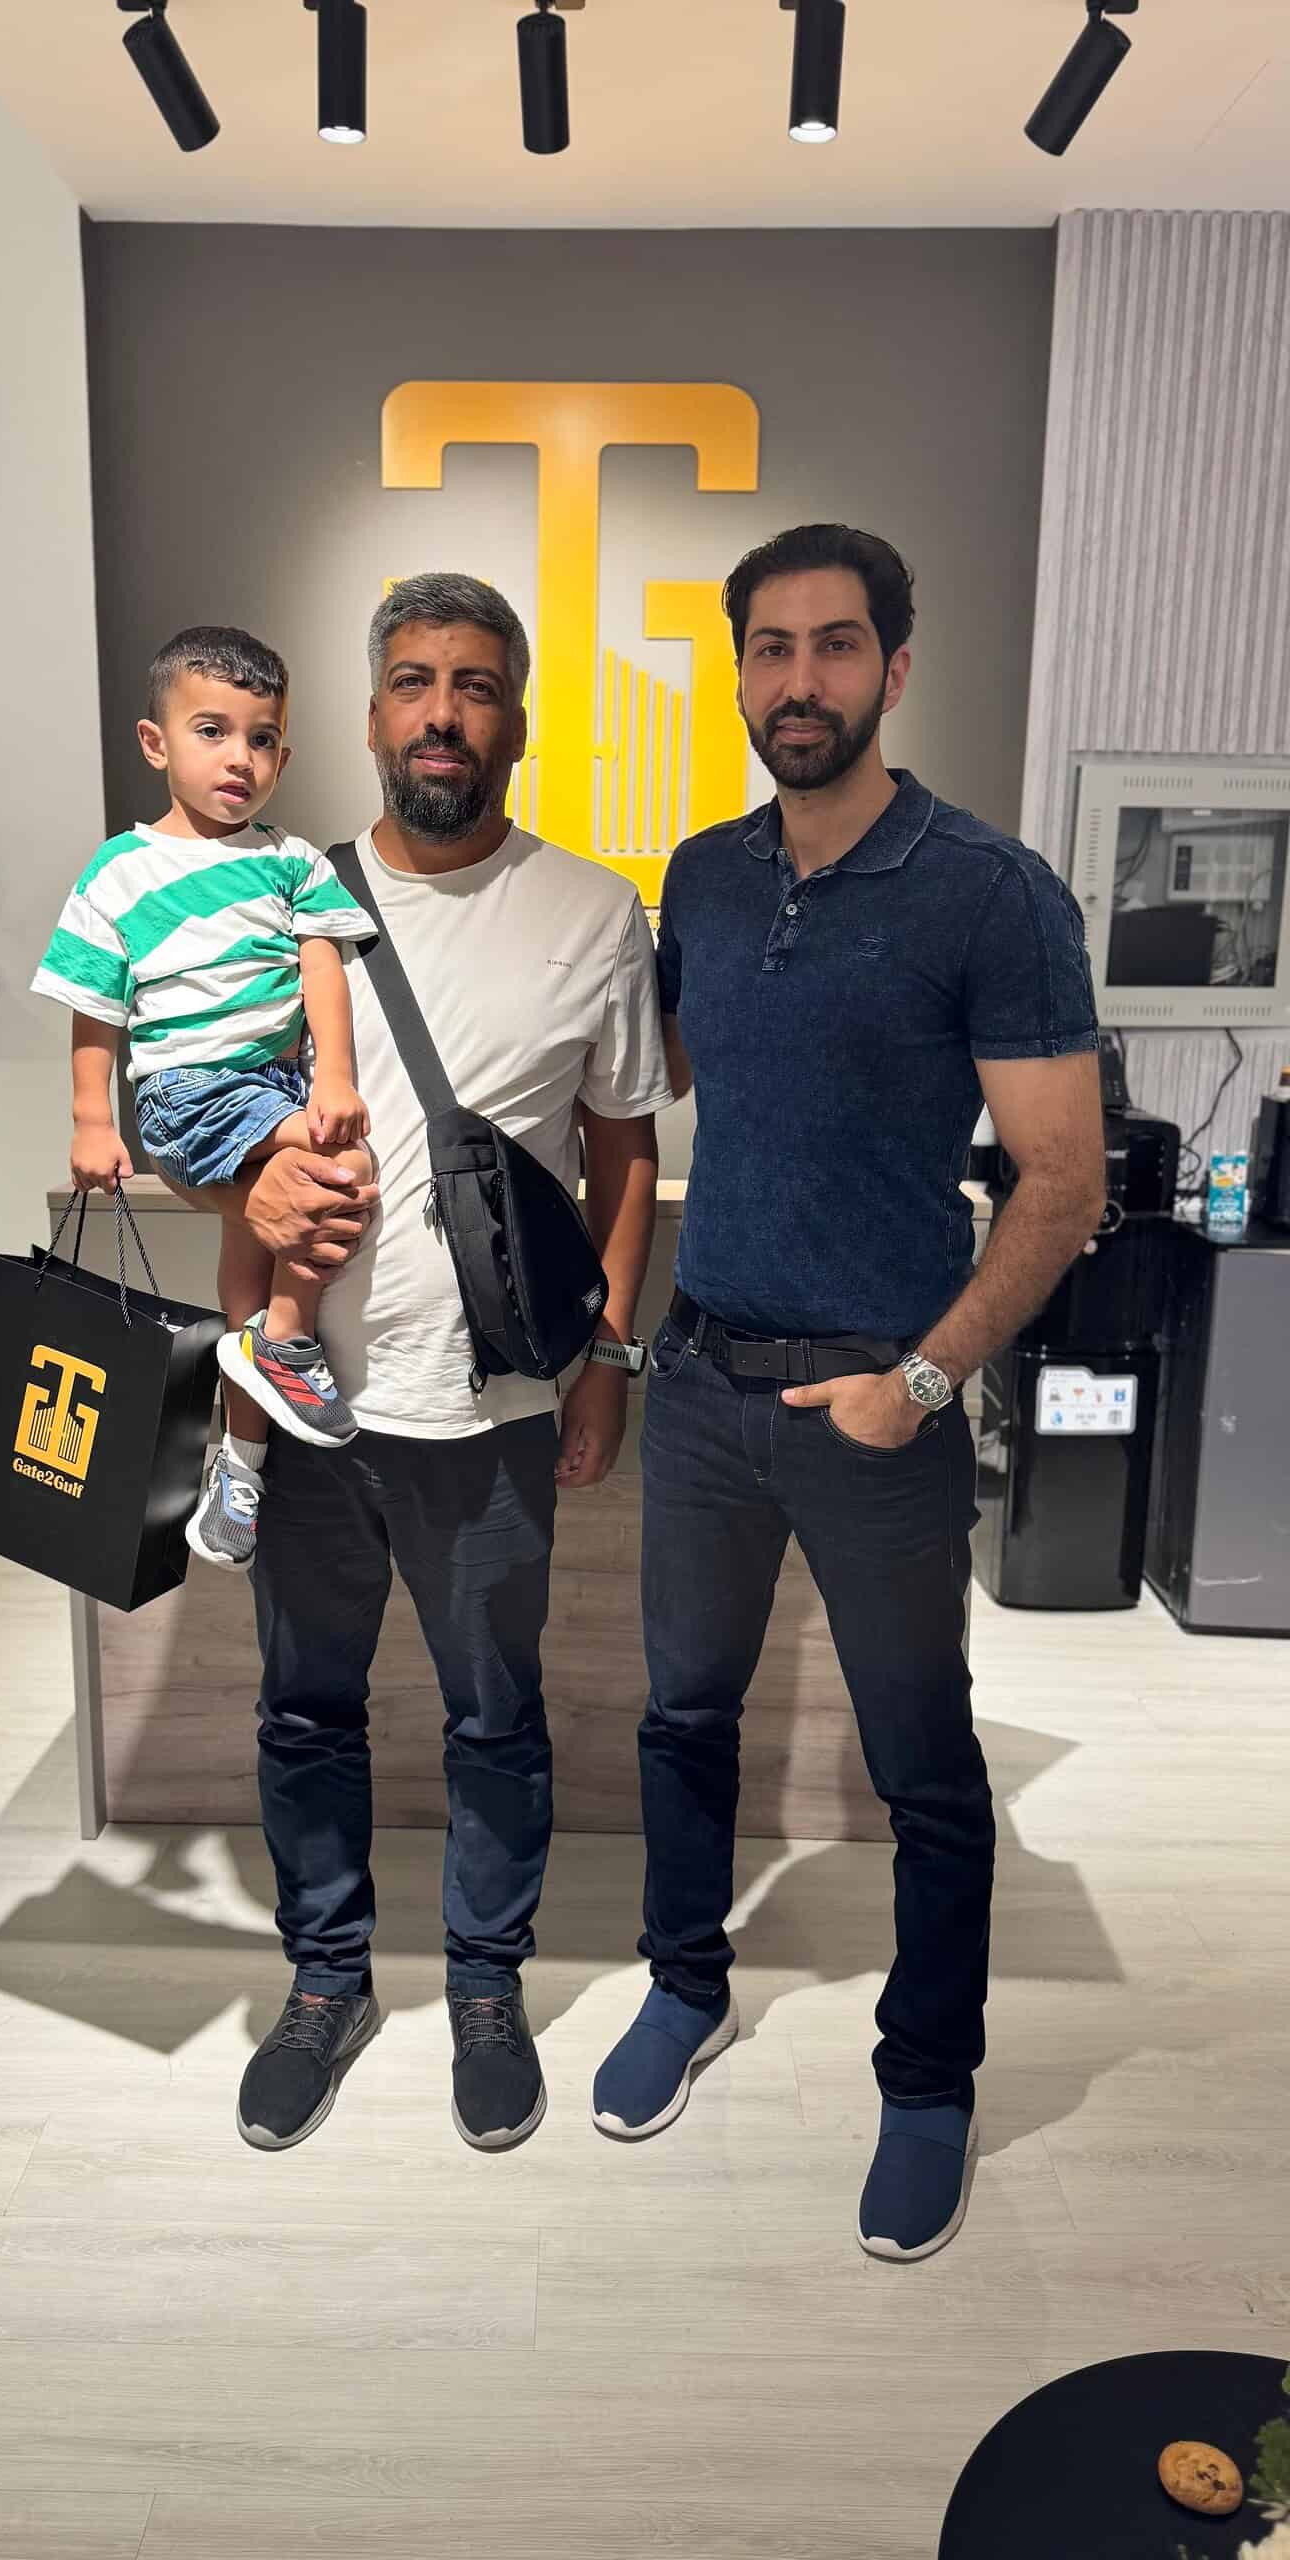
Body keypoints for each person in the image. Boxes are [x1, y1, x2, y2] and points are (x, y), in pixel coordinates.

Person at [592, 523, 1106, 2262]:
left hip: (877, 1409)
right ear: (738, 674)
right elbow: (646, 1074)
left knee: (923, 1768)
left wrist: (926, 1381)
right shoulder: (706, 877)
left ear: (893, 666)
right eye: (769, 649)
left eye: (831, 646)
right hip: (704, 1384)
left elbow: (1061, 1184)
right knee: (684, 1720)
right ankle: (686, 1984)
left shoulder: (990, 893)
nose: (796, 680)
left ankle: (929, 2077)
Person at [187, 574, 672, 2156]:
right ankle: (325, 1982)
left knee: (494, 1716)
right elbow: (185, 1108)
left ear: (516, 718)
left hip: (494, 1407)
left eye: (473, 684)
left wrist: (607, 1357)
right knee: (305, 1710)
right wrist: (240, 1193)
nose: (442, 713)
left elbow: (622, 1154)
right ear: (372, 714)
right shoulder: (280, 899)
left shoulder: (592, 913)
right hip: (307, 1400)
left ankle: (483, 1983)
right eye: (412, 682)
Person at [32, 626, 377, 1570]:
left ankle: (241, 1467)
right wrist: (92, 1122)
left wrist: (334, 1077)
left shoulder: (293, 860)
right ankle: (287, 1343)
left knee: (260, 1247)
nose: (240, 758)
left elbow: (323, 972)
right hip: (189, 1091)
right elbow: (95, 1007)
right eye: (213, 731)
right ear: (157, 743)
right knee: (341, 1168)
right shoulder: (119, 870)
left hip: (276, 1085)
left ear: (284, 758)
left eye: (262, 739)